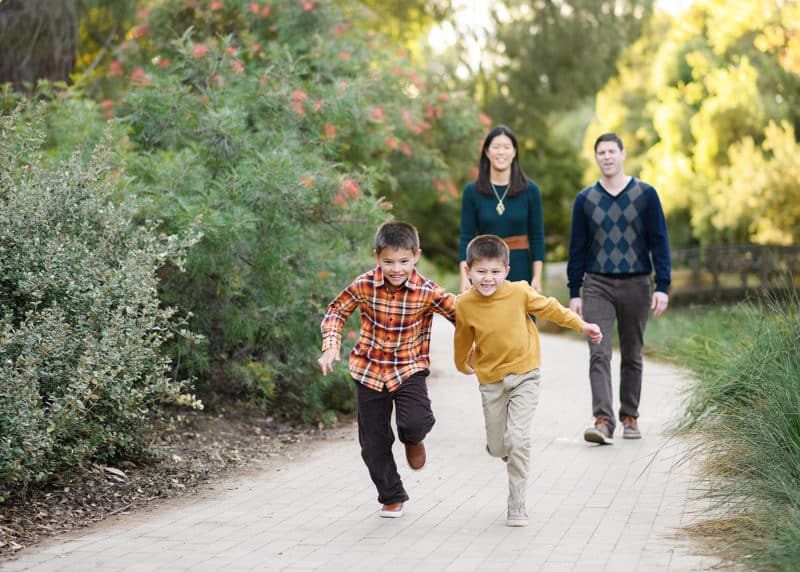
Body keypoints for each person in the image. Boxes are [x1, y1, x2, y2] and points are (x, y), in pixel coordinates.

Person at [454, 235, 602, 527]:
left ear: (507, 271)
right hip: (491, 381)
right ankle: (504, 451)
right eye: (481, 271)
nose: (488, 278)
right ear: (468, 271)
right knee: (498, 447)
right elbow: (463, 340)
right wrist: (462, 365)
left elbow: (551, 308)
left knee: (518, 440)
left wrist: (581, 325)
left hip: (525, 374)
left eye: (495, 272)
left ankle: (517, 503)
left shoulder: (519, 292)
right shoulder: (464, 304)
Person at [317, 221, 456, 518]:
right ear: (377, 256)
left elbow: (462, 315)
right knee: (373, 443)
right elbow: (336, 311)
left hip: (409, 367)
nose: (396, 269)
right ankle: (391, 495)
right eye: (388, 262)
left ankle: (414, 438)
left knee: (414, 421)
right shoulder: (364, 284)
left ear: (416, 256)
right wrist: (331, 345)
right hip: (368, 369)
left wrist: (478, 344)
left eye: (404, 261)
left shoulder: (427, 291)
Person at [566, 132, 671, 445]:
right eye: (601, 152)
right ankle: (603, 420)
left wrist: (662, 285)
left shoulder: (646, 194)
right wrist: (575, 291)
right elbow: (577, 250)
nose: (607, 157)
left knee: (632, 353)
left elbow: (659, 241)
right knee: (598, 352)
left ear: (623, 154)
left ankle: (630, 416)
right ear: (596, 158)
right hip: (597, 284)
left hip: (638, 282)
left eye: (612, 151)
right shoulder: (585, 199)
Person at [458, 125, 545, 294]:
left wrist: (537, 277)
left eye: (506, 147)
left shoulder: (531, 191)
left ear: (514, 152)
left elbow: (537, 237)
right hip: (484, 268)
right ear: (487, 152)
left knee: (520, 318)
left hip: (520, 267)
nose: (501, 152)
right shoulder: (472, 192)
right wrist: (464, 278)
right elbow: (465, 237)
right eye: (496, 147)